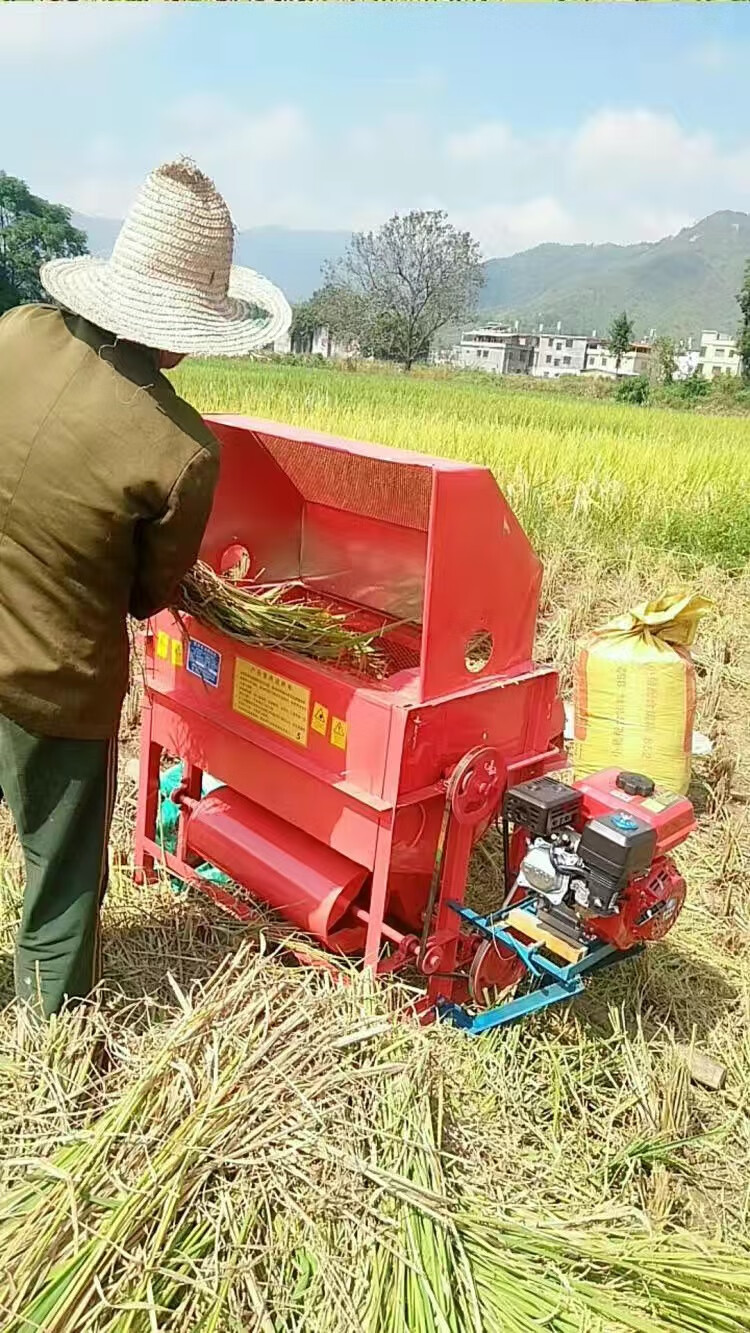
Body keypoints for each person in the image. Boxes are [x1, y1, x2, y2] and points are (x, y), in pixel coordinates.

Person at [0, 158, 291, 1018]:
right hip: (51, 689)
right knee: (61, 874)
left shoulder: (15, 330)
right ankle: (54, 1027)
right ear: (186, 325)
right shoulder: (179, 447)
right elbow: (148, 595)